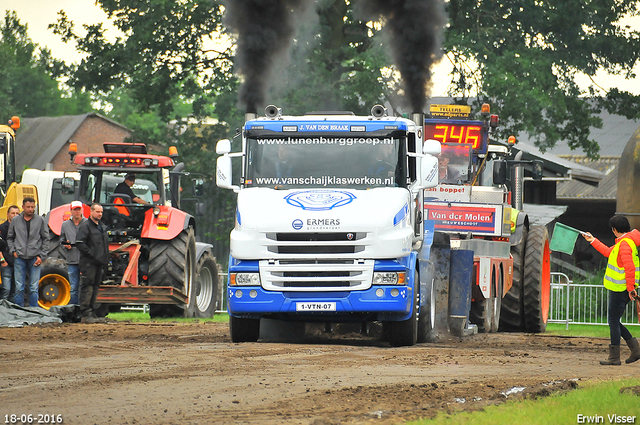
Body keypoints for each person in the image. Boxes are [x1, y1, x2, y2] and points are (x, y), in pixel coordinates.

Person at [583, 215, 640, 365]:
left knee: (613, 321)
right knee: (614, 321)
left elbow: (629, 268)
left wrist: (630, 289)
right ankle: (635, 349)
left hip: (620, 289)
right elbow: (608, 252)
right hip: (622, 288)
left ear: (614, 230)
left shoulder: (625, 244)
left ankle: (615, 357)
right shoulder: (625, 242)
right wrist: (593, 240)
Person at [7, 197, 49, 307]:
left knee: (34, 287)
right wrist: (13, 251)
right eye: (28, 207)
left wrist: (42, 256)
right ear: (23, 207)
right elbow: (10, 238)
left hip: (35, 258)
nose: (30, 209)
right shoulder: (16, 220)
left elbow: (46, 238)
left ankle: (34, 311)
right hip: (19, 257)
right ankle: (19, 311)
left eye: (32, 207)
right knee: (19, 287)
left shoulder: (40, 220)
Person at [75, 203, 110, 323]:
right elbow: (80, 243)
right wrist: (91, 254)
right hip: (89, 262)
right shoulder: (85, 226)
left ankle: (92, 311)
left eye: (101, 212)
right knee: (87, 285)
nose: (100, 214)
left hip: (99, 262)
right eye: (97, 212)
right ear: (91, 212)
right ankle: (85, 313)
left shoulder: (102, 227)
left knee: (95, 286)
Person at [60, 201, 87, 305]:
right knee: (74, 286)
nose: (77, 212)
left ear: (82, 210)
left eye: (78, 209)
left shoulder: (87, 223)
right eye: (75, 209)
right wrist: (65, 245)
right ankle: (74, 308)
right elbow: (61, 240)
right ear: (71, 211)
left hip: (85, 259)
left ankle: (84, 308)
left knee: (84, 286)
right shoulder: (65, 225)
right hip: (72, 259)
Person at [0, 205, 20, 301]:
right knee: (6, 289)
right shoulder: (2, 228)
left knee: (15, 290)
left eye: (17, 213)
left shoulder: (21, 228)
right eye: (13, 213)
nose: (15, 215)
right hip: (6, 263)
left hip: (18, 263)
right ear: (8, 214)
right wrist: (2, 260)